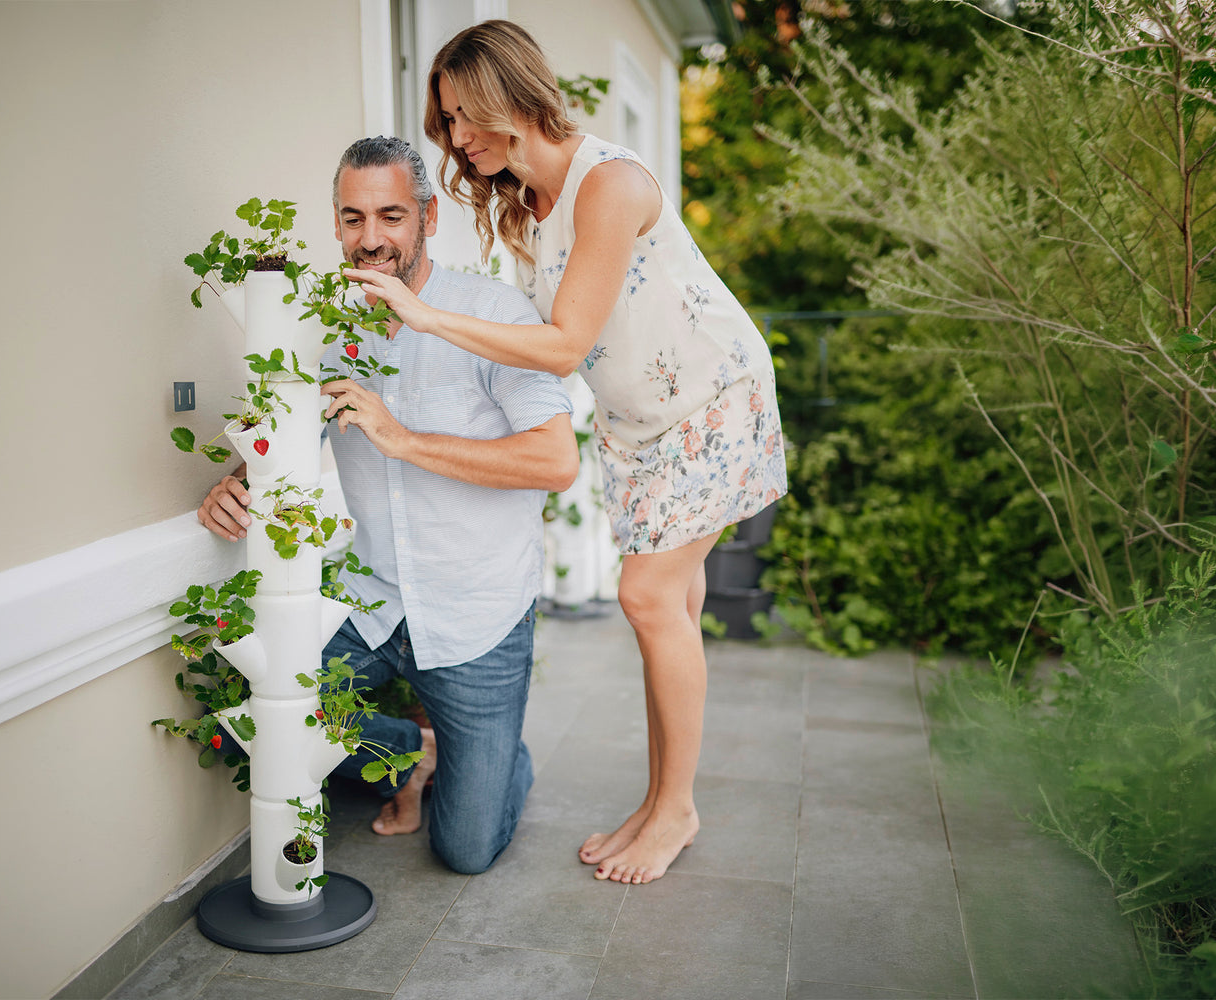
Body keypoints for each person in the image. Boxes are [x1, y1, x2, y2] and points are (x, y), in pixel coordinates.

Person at [343, 21, 788, 886]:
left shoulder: (609, 184)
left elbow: (562, 341)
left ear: (511, 94)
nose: (458, 141)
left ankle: (678, 810)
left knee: (648, 598)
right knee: (672, 612)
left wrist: (425, 314)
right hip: (639, 423)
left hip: (710, 398)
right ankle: (662, 802)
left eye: (465, 117)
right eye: (448, 123)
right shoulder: (527, 205)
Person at [198, 135, 578, 875]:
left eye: (391, 216)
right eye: (352, 218)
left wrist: (402, 439)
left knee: (465, 851)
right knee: (262, 694)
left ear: (428, 220)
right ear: (335, 224)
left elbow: (555, 460)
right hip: (371, 607)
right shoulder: (320, 332)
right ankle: (412, 752)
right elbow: (280, 442)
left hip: (478, 616)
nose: (370, 238)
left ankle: (493, 759)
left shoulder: (492, 313)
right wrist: (233, 487)